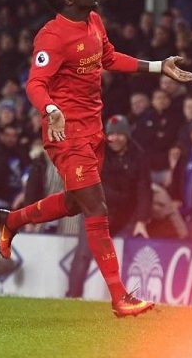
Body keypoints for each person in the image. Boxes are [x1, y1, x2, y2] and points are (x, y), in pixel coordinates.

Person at [0, 0, 192, 317]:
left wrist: (159, 67)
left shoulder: (95, 20)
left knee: (74, 202)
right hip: (64, 133)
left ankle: (12, 222)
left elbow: (109, 58)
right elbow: (35, 83)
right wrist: (51, 108)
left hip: (93, 129)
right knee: (97, 208)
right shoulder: (51, 36)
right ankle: (120, 297)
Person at [67, 115, 152, 298]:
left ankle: (123, 299)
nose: (116, 138)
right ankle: (72, 297)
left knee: (123, 256)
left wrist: (141, 220)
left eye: (120, 134)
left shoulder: (139, 155)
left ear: (127, 136)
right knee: (83, 254)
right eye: (112, 134)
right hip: (96, 211)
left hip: (124, 216)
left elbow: (144, 189)